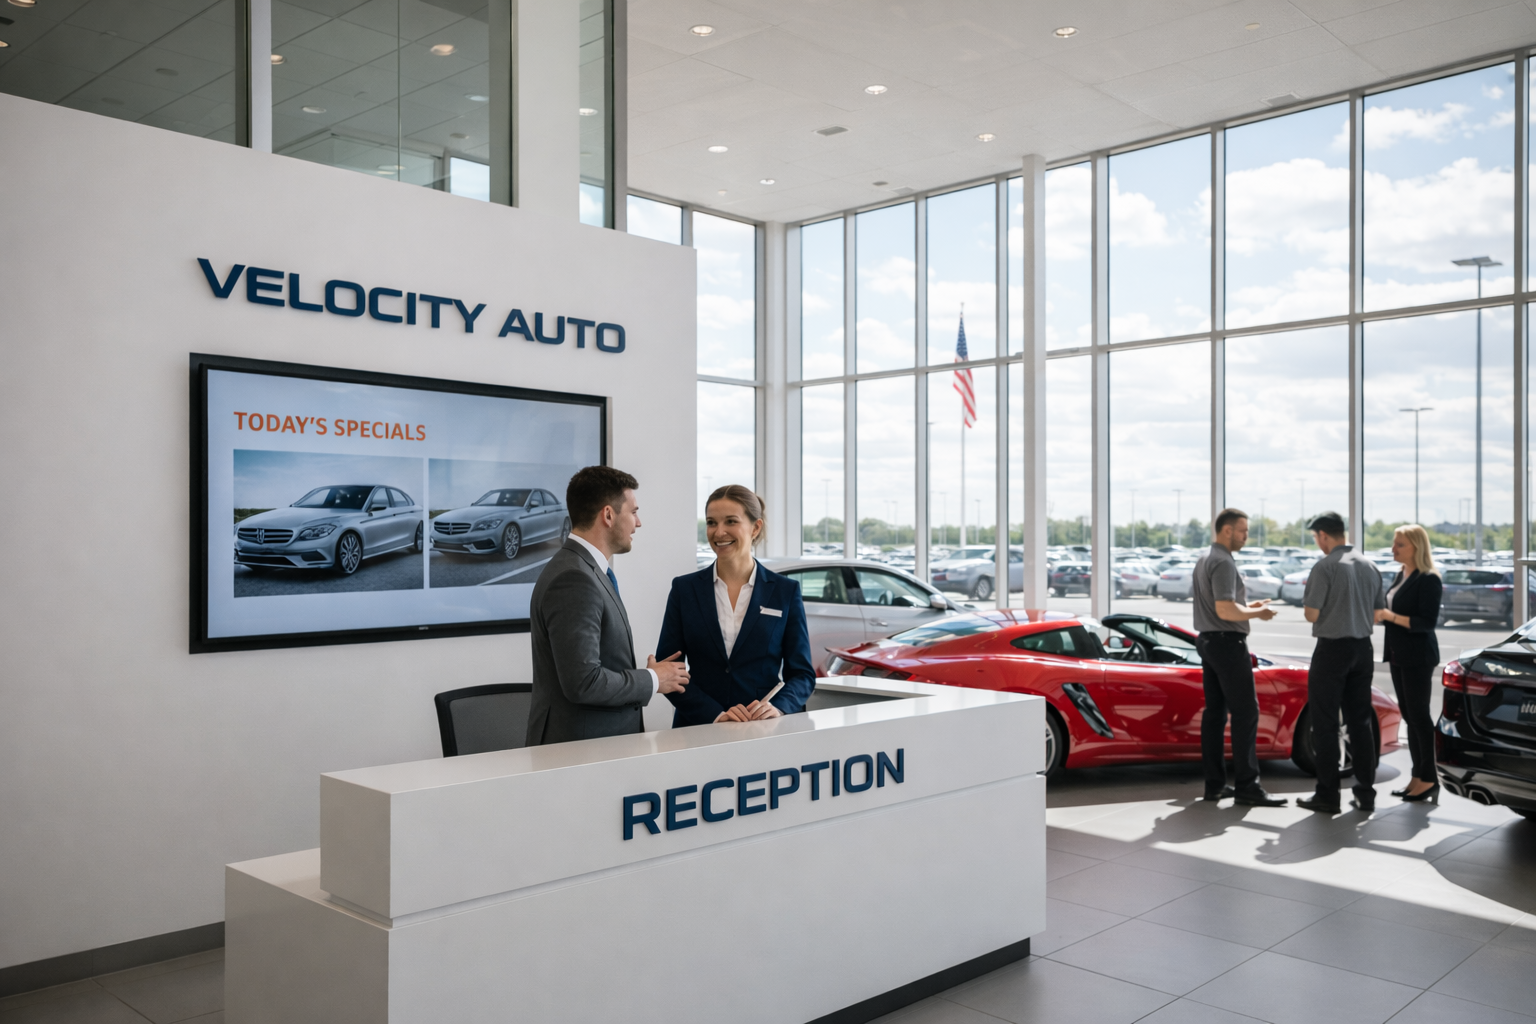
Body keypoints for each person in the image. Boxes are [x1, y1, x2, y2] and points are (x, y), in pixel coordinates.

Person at [525, 466, 689, 745]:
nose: (638, 523)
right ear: (609, 515)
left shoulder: (584, 569)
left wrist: (649, 676)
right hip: (581, 751)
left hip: (596, 746)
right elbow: (584, 682)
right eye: (634, 512)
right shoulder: (574, 578)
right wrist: (651, 679)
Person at [655, 485, 816, 726]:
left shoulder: (785, 591)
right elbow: (668, 670)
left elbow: (802, 674)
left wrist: (778, 707)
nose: (719, 532)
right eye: (711, 523)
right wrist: (715, 715)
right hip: (698, 727)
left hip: (761, 728)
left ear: (755, 527)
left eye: (731, 521)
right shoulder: (684, 589)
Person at [1191, 508, 1287, 807]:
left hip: (1208, 641)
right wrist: (1258, 613)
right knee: (1246, 713)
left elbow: (1224, 606)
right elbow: (1225, 610)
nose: (1246, 536)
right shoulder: (1223, 562)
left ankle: (1215, 785)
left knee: (1215, 715)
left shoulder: (1205, 558)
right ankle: (1248, 786)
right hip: (1227, 645)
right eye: (1243, 530)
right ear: (1227, 530)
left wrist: (1248, 607)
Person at [1297, 511, 1385, 813]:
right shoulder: (1369, 565)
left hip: (1332, 650)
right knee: (1360, 722)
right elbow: (1377, 615)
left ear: (1323, 535)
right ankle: (1365, 793)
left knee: (1325, 723)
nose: (1317, 542)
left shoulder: (1325, 566)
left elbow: (1311, 614)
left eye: (1316, 537)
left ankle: (1327, 795)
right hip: (1362, 649)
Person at [1376, 524, 1443, 802]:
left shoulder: (1429, 579)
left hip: (1417, 656)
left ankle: (1429, 779)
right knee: (1409, 716)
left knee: (1419, 717)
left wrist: (1388, 616)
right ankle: (1417, 776)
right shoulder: (1401, 574)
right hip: (1397, 653)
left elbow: (1426, 622)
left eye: (1400, 544)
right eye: (1394, 543)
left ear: (1417, 547)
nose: (1393, 549)